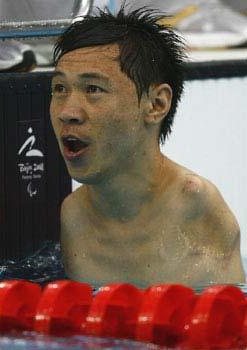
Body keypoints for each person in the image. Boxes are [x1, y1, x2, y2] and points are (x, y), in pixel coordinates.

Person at [50, 6, 245, 287]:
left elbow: (221, 324)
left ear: (156, 105)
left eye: (93, 89)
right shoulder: (72, 215)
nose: (67, 112)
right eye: (59, 89)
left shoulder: (195, 207)